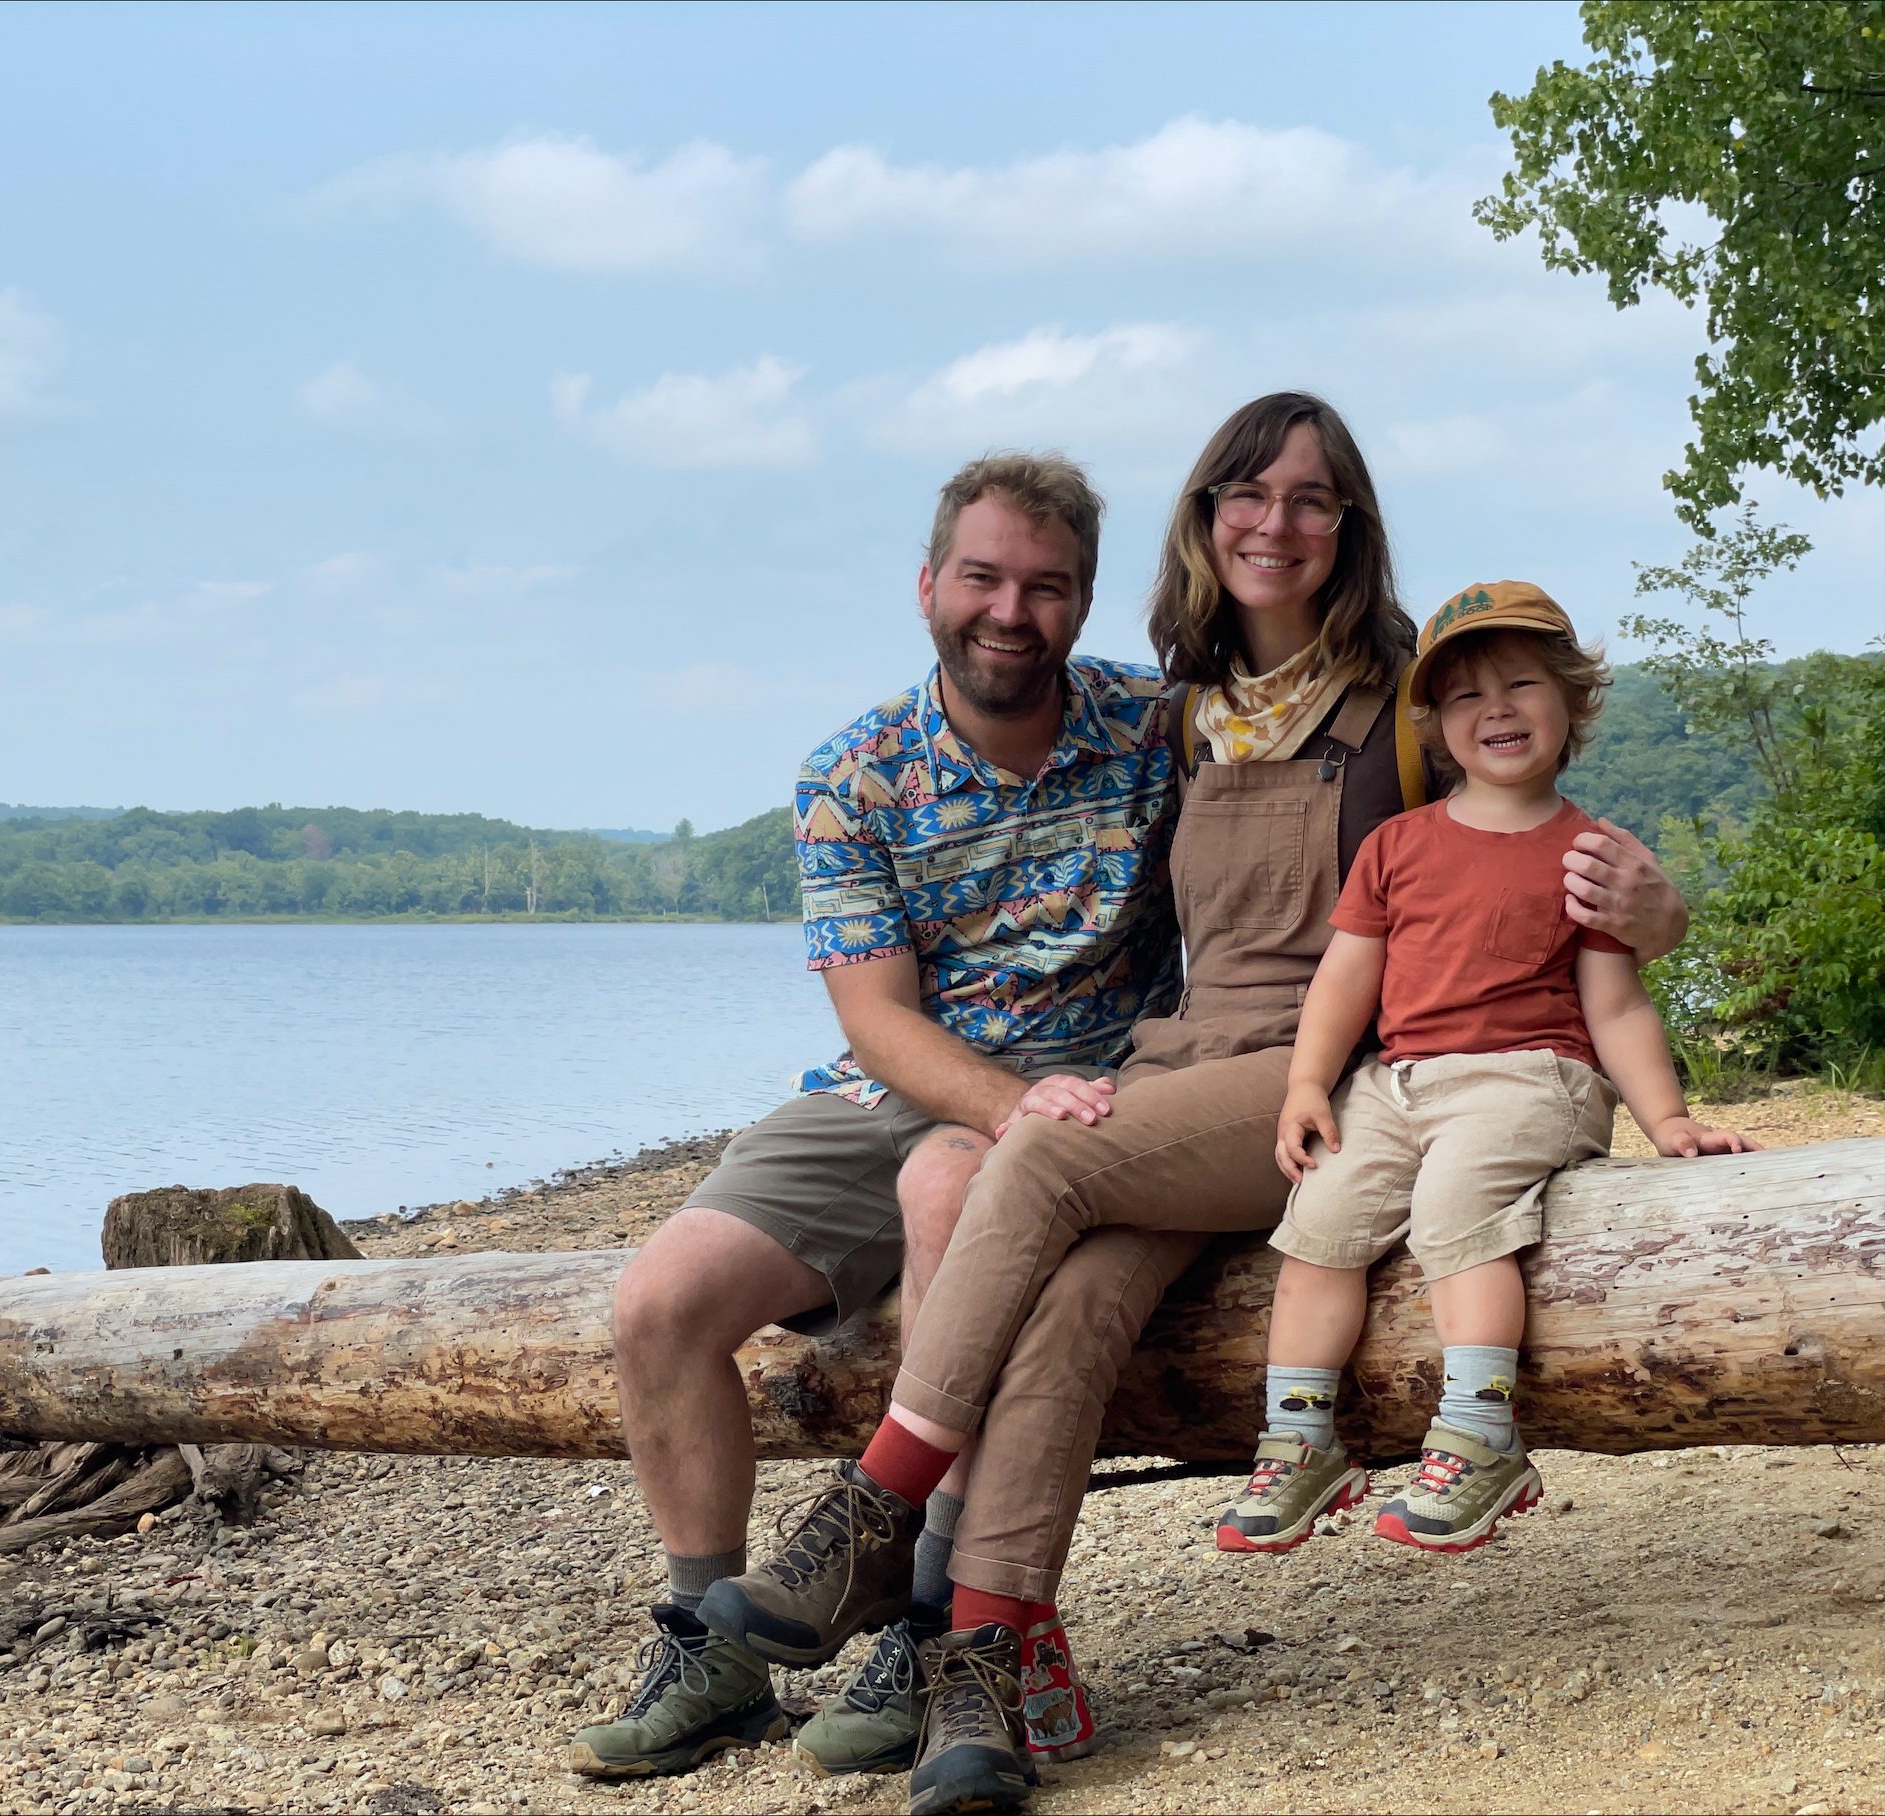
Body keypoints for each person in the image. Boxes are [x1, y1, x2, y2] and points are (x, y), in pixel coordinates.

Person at [694, 393, 1689, 1816]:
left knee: (1031, 1161)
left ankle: (873, 1507)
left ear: (1349, 529)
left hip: (1323, 1087)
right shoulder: (1179, 710)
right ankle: (985, 1664)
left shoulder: (1406, 701)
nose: (1274, 523)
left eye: (1310, 499)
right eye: (1247, 492)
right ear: (1205, 515)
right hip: (1179, 1065)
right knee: (1079, 1301)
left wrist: (1662, 918)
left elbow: (1541, 858)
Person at [568, 451, 1178, 1780]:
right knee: (659, 1301)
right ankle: (713, 1644)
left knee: (949, 1192)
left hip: (1077, 1102)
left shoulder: (1156, 733)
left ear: (1083, 605)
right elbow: (877, 1022)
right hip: (895, 1089)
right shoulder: (855, 772)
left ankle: (928, 1621)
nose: (1010, 611)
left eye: (1046, 586)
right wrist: (1020, 1102)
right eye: (984, 577)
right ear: (927, 586)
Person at [1216, 582, 1753, 1558]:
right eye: (1464, 696)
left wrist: (1667, 1119)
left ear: (1572, 700)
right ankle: (1298, 1441)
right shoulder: (1394, 845)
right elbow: (1344, 981)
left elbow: (1615, 1003)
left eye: (1520, 684)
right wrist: (1306, 1083)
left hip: (1529, 1075)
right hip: (1397, 1080)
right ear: (1434, 726)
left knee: (1453, 1207)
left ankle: (1479, 1433)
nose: (1494, 709)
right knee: (1317, 1224)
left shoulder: (1585, 852)